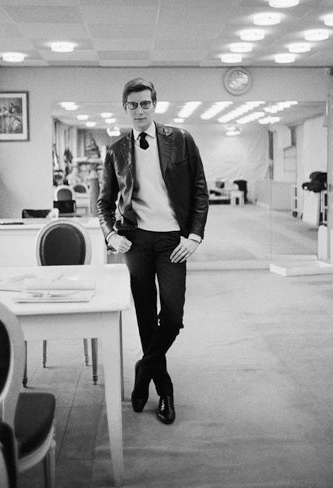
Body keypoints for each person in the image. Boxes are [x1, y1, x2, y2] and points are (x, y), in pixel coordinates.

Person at [97, 78, 209, 425]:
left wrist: (194, 236)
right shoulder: (116, 150)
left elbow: (199, 191)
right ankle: (165, 390)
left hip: (173, 241)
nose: (140, 110)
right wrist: (111, 235)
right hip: (136, 241)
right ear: (125, 107)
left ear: (155, 104)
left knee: (173, 316)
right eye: (133, 104)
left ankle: (144, 367)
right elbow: (103, 203)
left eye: (146, 103)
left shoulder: (181, 140)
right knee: (146, 317)